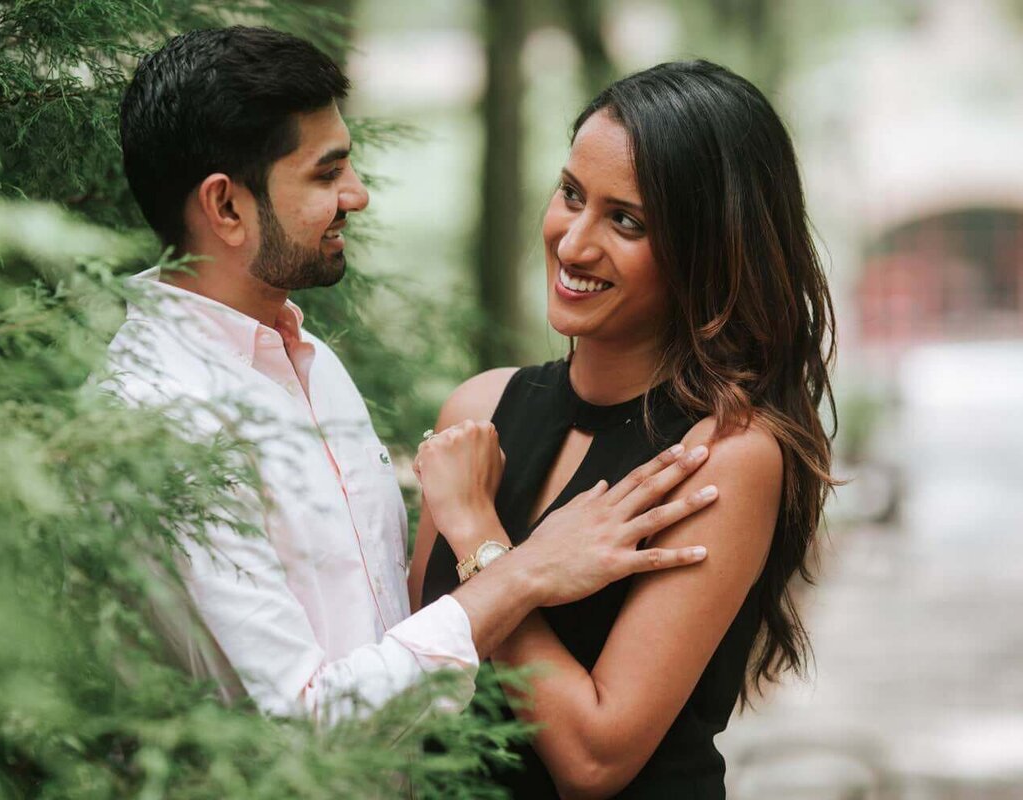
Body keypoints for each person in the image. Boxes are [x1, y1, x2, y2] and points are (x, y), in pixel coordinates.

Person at [104, 26, 717, 730]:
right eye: (327, 173)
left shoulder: (310, 364)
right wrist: (521, 571)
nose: (357, 195)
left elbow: (379, 626)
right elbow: (305, 720)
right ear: (226, 207)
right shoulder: (160, 415)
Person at [411, 61, 837, 798]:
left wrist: (483, 540)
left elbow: (595, 757)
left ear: (705, 250)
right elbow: (416, 680)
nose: (573, 245)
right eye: (572, 195)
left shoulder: (721, 457)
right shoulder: (477, 411)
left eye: (627, 221)